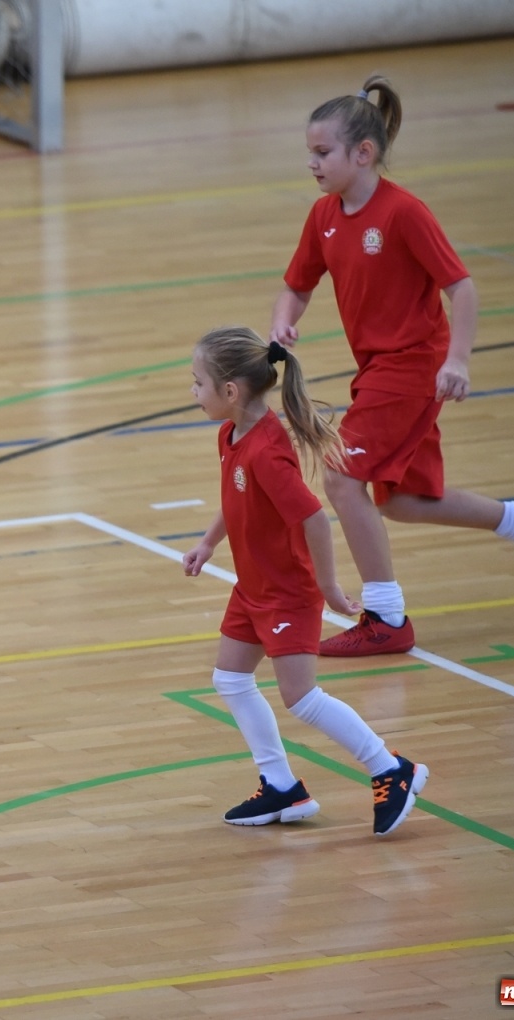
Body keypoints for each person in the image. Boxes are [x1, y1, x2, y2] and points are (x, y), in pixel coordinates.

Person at [269, 75, 514, 657]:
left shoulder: (404, 213)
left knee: (339, 475)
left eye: (322, 152)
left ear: (365, 153)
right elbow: (296, 285)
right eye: (309, 152)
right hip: (377, 368)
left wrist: (458, 360)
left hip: (413, 366)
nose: (312, 163)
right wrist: (285, 319)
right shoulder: (323, 216)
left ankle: (386, 617)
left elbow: (463, 289)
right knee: (399, 501)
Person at [183, 326, 427, 836]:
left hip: (286, 592)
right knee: (230, 679)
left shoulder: (267, 451)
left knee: (302, 697)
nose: (193, 392)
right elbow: (235, 498)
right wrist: (209, 542)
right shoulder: (230, 435)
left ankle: (391, 768)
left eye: (198, 382)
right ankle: (280, 787)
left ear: (231, 391)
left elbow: (313, 518)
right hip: (253, 586)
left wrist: (329, 590)